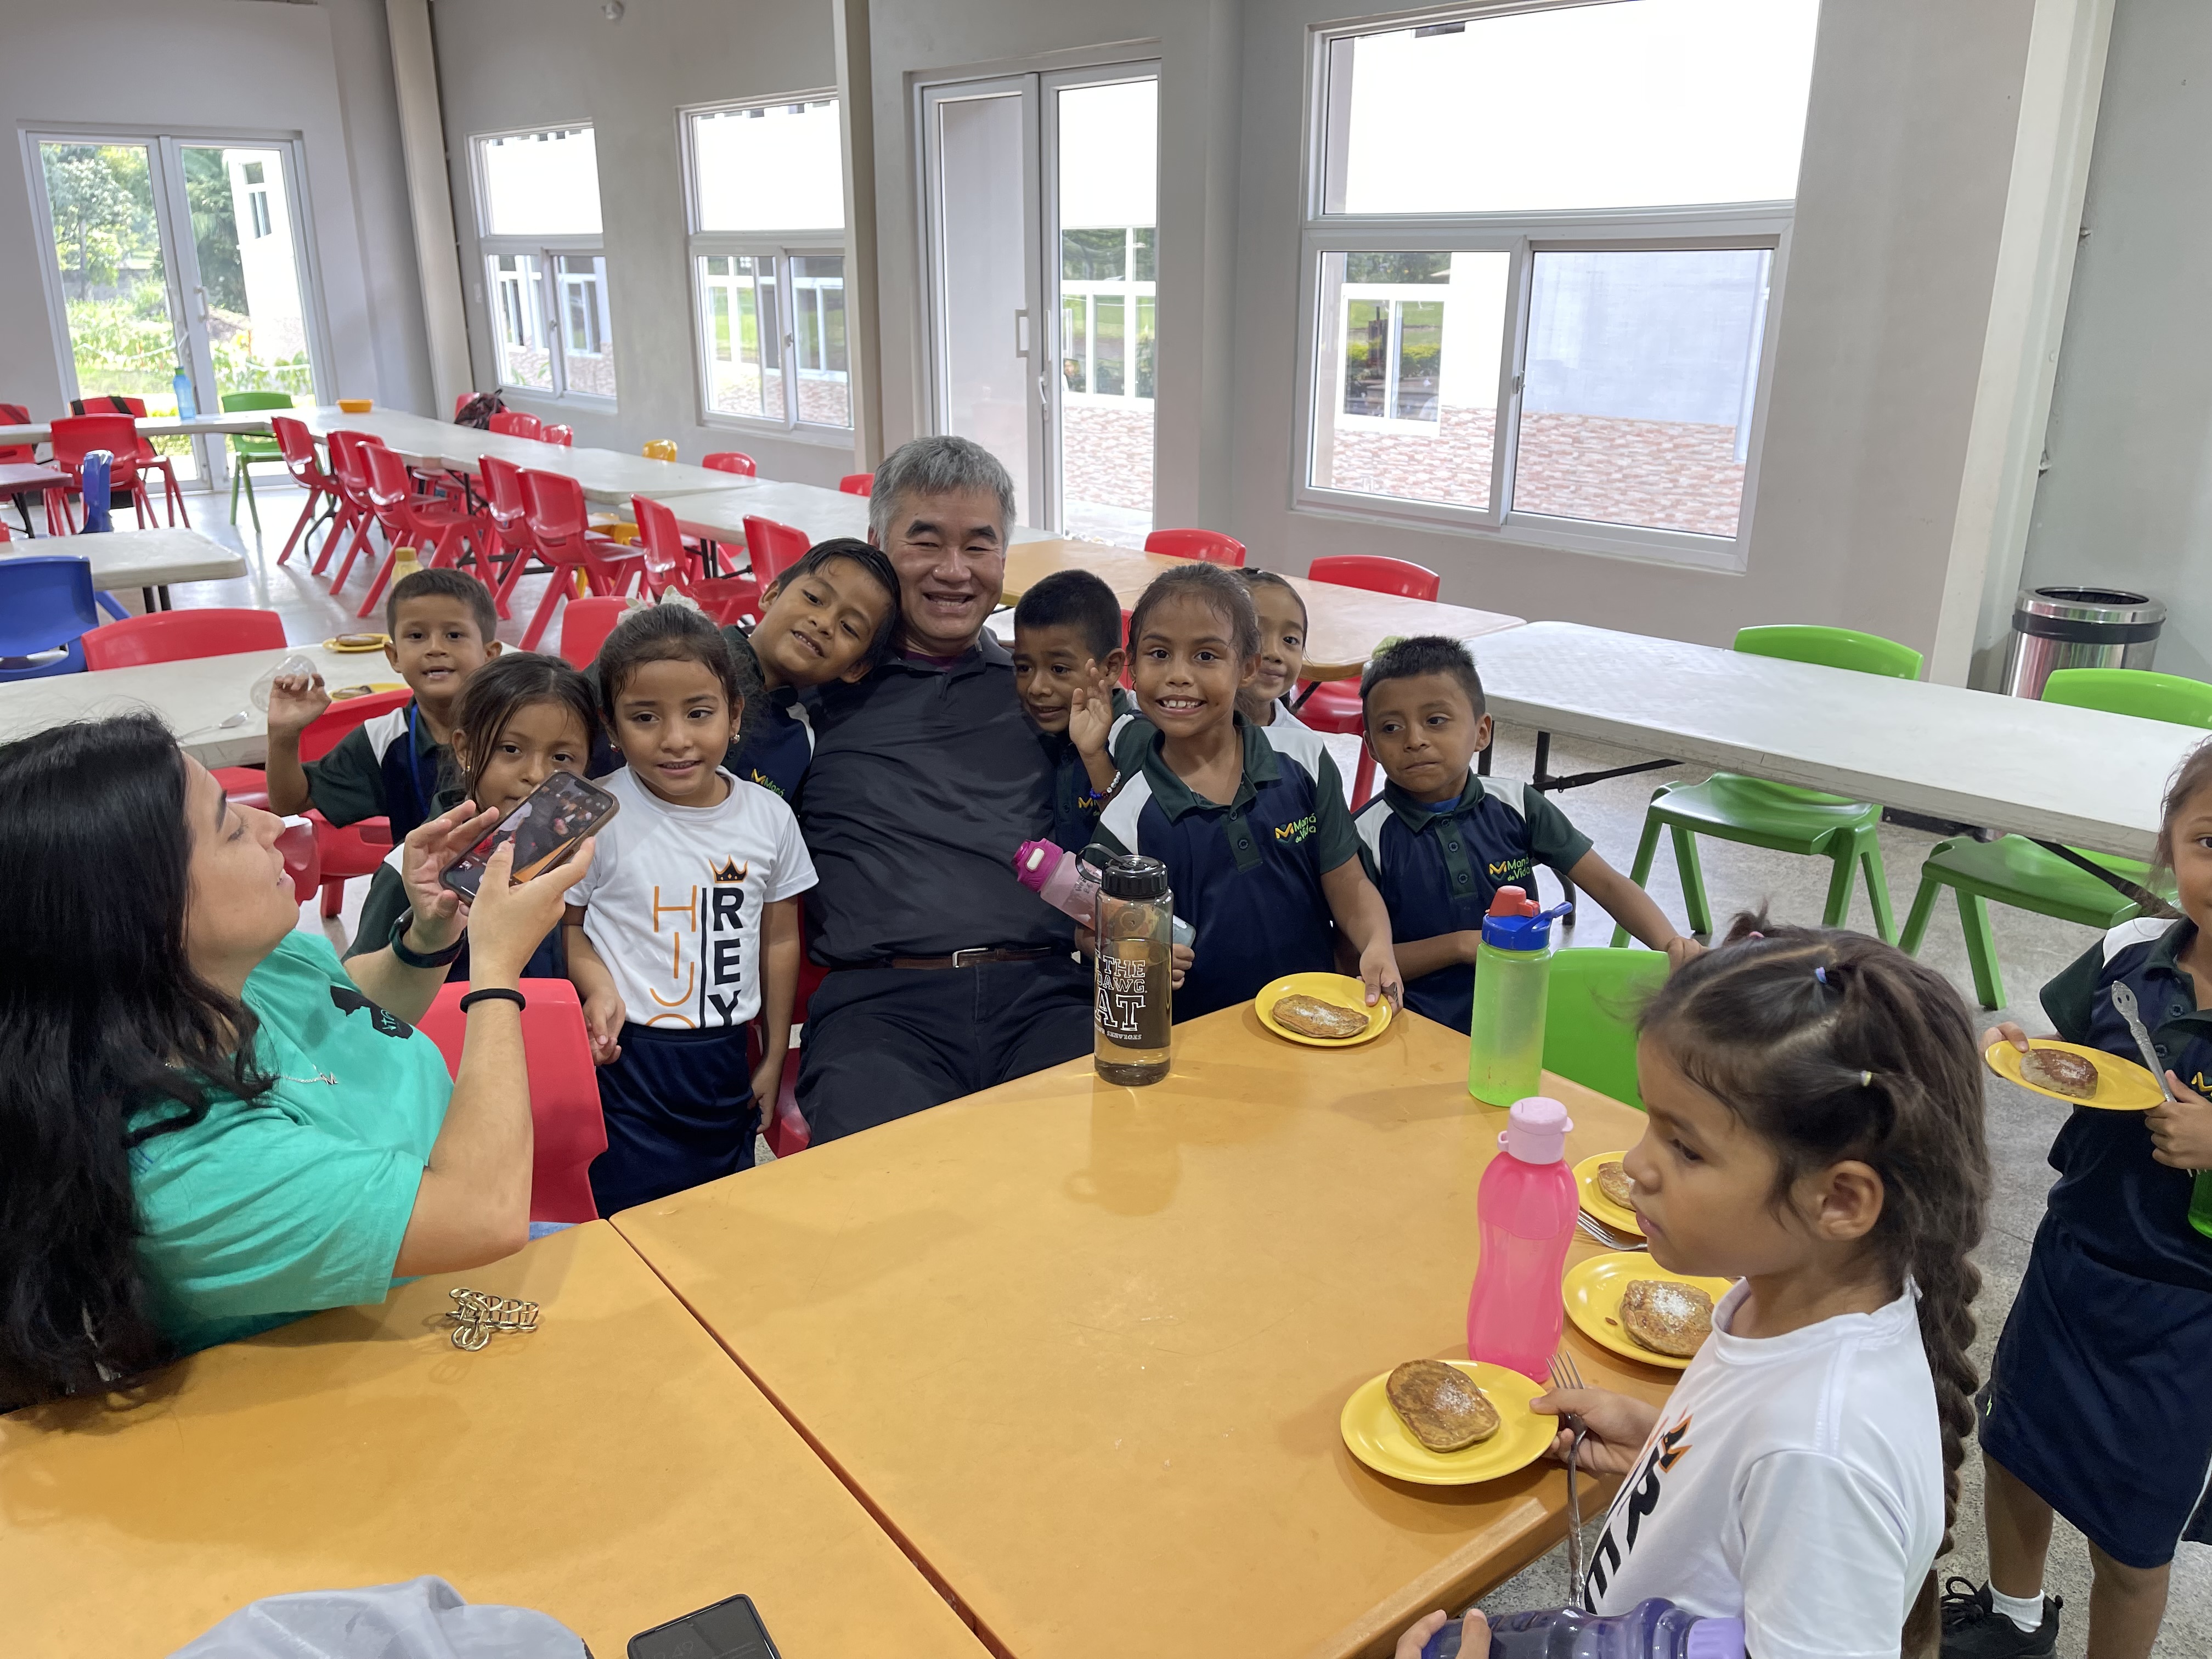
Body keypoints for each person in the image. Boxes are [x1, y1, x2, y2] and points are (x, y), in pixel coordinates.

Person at [0, 713, 587, 1406]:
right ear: (143, 912)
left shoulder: (236, 968)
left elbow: (348, 1013)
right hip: (352, 1374)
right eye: (229, 826)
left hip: (439, 1281)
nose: (274, 826)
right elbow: (483, 1214)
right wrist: (496, 972)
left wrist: (428, 935)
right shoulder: (186, 1168)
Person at [1448, 918, 1987, 1659]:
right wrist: (1669, 1450)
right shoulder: (1783, 1303)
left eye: (1685, 1146)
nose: (1636, 1164)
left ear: (1839, 1201)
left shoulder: (1818, 1458)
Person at [1946, 738, 2212, 1659]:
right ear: (2169, 848)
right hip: (2071, 1259)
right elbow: (2074, 1042)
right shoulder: (2129, 949)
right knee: (2015, 1446)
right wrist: (2029, 1049)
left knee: (2131, 1539)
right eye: (2207, 839)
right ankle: (2013, 1619)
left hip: (2187, 1312)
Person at [794, 436, 1098, 1142]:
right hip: (880, 1008)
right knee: (893, 1197)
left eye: (980, 547)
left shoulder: (1045, 697)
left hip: (1046, 996)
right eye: (925, 542)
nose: (954, 573)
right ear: (876, 544)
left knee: (1107, 1157)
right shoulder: (816, 696)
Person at [565, 607, 815, 1214]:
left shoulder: (769, 817)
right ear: (613, 728)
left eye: (698, 713)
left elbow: (779, 940)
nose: (675, 739)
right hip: (626, 1065)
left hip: (727, 1060)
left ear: (733, 714)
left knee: (718, 1220)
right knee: (630, 1222)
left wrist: (774, 1051)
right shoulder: (592, 812)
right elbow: (567, 928)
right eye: (645, 718)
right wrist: (596, 987)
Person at [1096, 562, 1404, 1020]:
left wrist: (1378, 945)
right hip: (1197, 1035)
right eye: (1159, 653)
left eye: (1206, 656)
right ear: (1132, 668)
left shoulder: (1304, 757)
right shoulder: (1126, 816)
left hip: (1312, 1014)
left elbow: (1349, 882)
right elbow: (1100, 933)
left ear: (1247, 667)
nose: (1179, 675)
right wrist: (1129, 953)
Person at [1353, 636, 1701, 1030]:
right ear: (1372, 748)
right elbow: (1350, 961)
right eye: (1391, 727)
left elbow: (1606, 884)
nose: (1414, 740)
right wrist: (1459, 946)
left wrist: (1671, 944)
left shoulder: (1518, 804)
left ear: (1482, 731)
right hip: (1412, 1024)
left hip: (1521, 1016)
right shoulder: (1364, 835)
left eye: (1435, 720)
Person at [348, 652, 601, 984]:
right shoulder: (413, 870)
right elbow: (352, 995)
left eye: (562, 757)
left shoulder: (570, 854)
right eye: (511, 749)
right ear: (464, 749)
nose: (537, 774)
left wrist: (596, 991)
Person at [264, 568, 503, 842]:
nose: (435, 648)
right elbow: (291, 803)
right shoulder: (381, 740)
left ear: (489, 655)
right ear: (394, 657)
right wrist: (284, 736)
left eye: (454, 635)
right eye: (416, 636)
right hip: (417, 883)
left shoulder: (518, 727)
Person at [715, 537, 901, 801]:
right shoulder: (688, 661)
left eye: (849, 627)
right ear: (772, 595)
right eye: (814, 598)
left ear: (856, 668)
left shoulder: (799, 741)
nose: (824, 623)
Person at [1011, 567, 1128, 851]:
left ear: (1110, 668)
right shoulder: (1040, 732)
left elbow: (1136, 833)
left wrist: (1094, 756)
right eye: (1024, 668)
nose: (1037, 687)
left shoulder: (1134, 739)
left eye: (1059, 669)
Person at [1234, 567, 1313, 738]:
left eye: (1290, 640)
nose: (1274, 653)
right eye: (1255, 635)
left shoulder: (1304, 745)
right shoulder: (1177, 730)